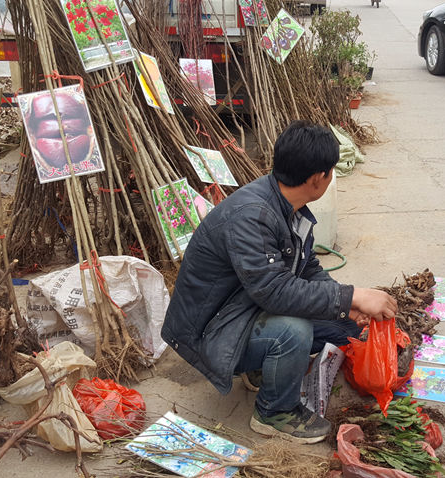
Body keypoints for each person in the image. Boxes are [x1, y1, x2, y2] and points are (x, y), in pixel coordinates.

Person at [161, 121, 398, 444]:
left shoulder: (289, 205)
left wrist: (346, 304)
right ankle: (274, 412)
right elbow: (275, 292)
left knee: (342, 329)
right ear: (318, 179)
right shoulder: (252, 217)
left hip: (240, 306)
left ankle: (262, 367)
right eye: (331, 171)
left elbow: (308, 268)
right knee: (294, 330)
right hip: (208, 332)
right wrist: (351, 296)